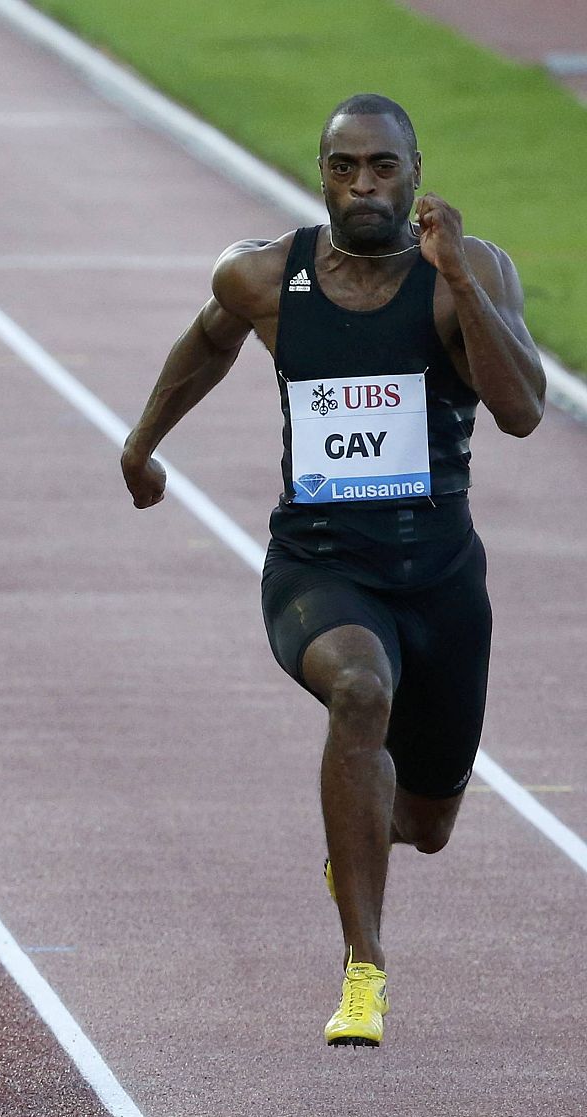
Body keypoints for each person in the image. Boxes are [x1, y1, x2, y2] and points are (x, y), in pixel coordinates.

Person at [121, 94, 544, 1046]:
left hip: (441, 581)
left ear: (416, 172)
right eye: (343, 167)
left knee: (427, 826)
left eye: (383, 167)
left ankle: (357, 844)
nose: (363, 186)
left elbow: (522, 412)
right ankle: (364, 969)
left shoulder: (471, 272)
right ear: (320, 175)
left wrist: (458, 279)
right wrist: (142, 445)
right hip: (319, 567)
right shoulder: (264, 275)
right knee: (359, 689)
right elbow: (208, 342)